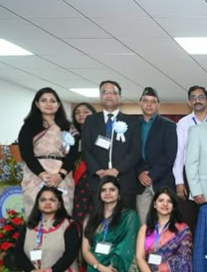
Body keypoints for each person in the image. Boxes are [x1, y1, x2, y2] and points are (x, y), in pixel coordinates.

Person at [81, 80, 141, 209]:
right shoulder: (90, 120)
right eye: (105, 92)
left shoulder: (133, 121)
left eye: (113, 92)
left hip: (124, 181)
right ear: (100, 96)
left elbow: (135, 151)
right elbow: (85, 149)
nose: (109, 95)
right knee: (99, 218)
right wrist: (98, 170)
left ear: (119, 96)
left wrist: (116, 170)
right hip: (98, 181)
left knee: (126, 218)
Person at [18, 88, 78, 214]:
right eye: (44, 100)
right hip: (36, 176)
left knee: (62, 213)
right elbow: (26, 154)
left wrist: (60, 175)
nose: (48, 104)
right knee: (35, 214)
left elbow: (72, 155)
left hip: (61, 176)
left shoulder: (68, 127)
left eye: (52, 101)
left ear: (58, 104)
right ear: (37, 104)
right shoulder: (29, 126)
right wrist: (42, 174)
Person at [135, 87, 177, 221]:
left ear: (158, 105)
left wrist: (151, 175)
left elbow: (170, 155)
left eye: (153, 101)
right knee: (144, 222)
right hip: (139, 183)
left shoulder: (169, 126)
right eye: (145, 101)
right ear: (140, 103)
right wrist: (140, 173)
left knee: (165, 221)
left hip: (162, 180)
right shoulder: (132, 125)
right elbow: (130, 153)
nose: (149, 104)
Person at [175, 85, 207, 231]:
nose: (197, 100)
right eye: (193, 98)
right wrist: (179, 181)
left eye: (201, 97)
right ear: (189, 102)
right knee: (189, 220)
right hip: (189, 175)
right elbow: (179, 152)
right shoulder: (183, 123)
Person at [71, 102, 97, 223]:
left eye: (85, 112)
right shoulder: (72, 134)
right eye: (77, 112)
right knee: (78, 212)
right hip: (76, 177)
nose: (81, 114)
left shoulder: (100, 132)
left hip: (94, 175)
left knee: (95, 211)